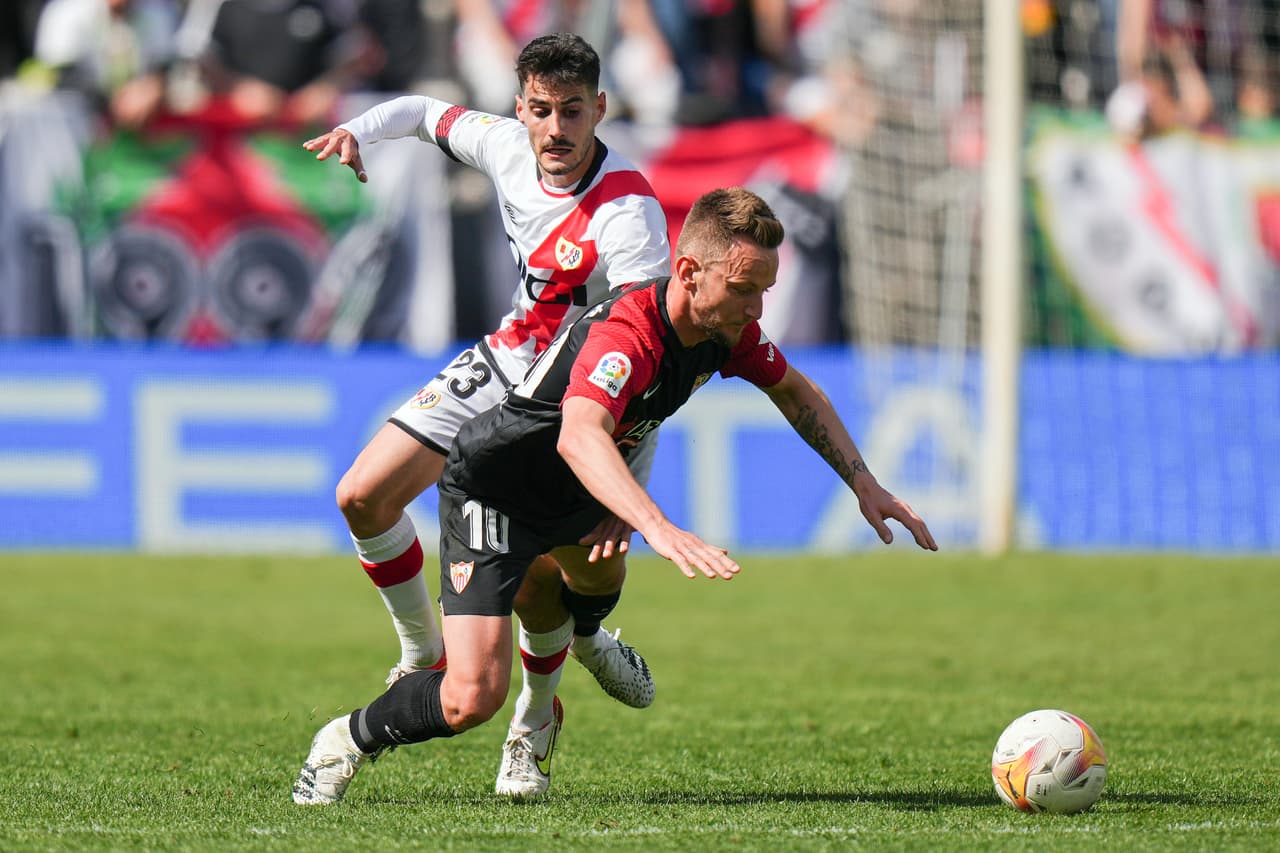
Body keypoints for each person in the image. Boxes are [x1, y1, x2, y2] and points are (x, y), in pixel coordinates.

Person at [291, 186, 938, 806]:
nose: (757, 309)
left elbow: (796, 391)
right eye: (744, 288)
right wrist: (653, 521)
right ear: (688, 270)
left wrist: (863, 480)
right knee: (469, 697)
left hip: (577, 488)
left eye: (764, 290)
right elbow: (579, 433)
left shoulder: (725, 332)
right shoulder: (627, 334)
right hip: (495, 490)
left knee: (592, 576)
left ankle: (549, 702)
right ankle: (343, 739)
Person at [300, 31, 670, 789]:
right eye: (541, 110)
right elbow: (419, 111)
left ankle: (543, 706)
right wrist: (356, 131)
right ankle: (420, 654)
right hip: (502, 360)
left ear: (600, 109)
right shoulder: (504, 144)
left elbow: (648, 357)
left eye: (573, 112)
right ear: (520, 107)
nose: (556, 130)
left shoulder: (628, 216)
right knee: (361, 495)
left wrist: (625, 483)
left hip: (571, 404)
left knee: (547, 578)